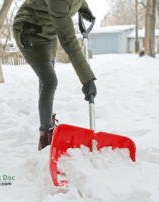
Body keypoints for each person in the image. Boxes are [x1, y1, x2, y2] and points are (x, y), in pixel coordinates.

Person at [12, 0, 97, 151]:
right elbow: (69, 41)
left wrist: (84, 7)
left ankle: (47, 122)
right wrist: (87, 78)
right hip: (30, 30)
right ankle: (45, 136)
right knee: (49, 82)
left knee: (46, 80)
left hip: (49, 31)